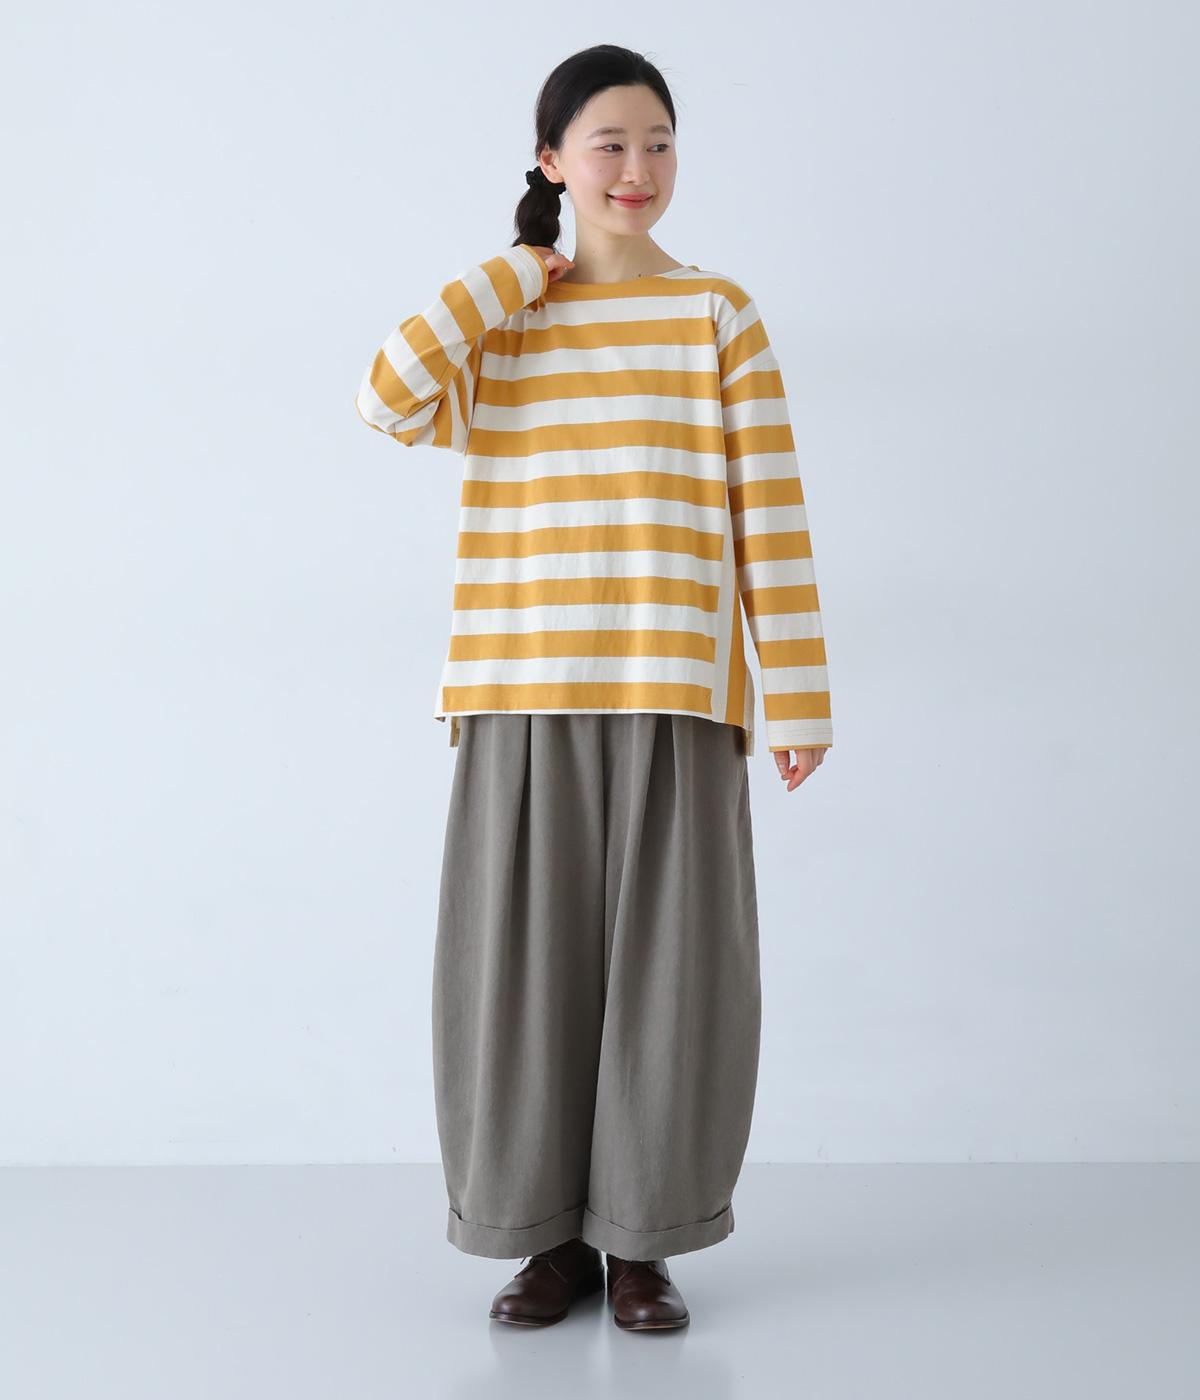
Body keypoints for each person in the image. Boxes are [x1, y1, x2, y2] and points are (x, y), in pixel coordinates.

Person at [354, 43, 833, 1332]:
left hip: (677, 692)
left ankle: (643, 1246)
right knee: (522, 980)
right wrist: (517, 269)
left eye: (659, 143)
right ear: (554, 160)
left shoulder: (717, 314)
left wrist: (797, 697)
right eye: (609, 144)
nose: (638, 168)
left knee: (674, 981)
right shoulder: (507, 323)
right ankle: (541, 1240)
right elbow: (384, 397)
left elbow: (769, 515)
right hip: (518, 690)